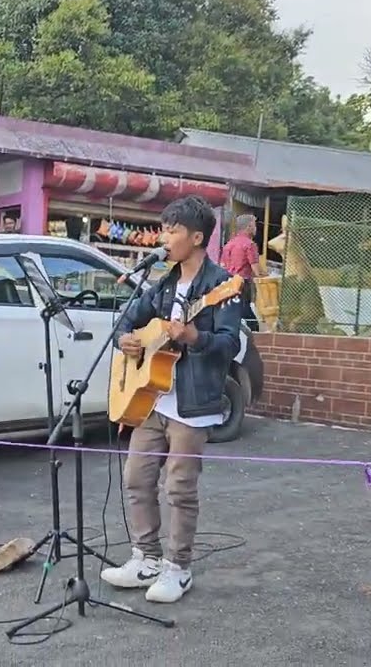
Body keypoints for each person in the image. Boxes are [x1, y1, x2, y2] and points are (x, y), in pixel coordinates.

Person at [101, 195, 243, 604]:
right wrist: (125, 339)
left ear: (197, 237)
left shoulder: (223, 287)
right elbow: (128, 321)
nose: (164, 237)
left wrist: (193, 336)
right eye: (163, 229)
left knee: (180, 488)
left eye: (172, 230)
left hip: (192, 405)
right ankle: (145, 558)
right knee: (136, 480)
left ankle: (178, 568)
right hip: (151, 401)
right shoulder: (163, 283)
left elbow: (229, 344)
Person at [220, 213, 261, 330]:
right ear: (248, 227)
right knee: (246, 310)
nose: (255, 228)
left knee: (232, 308)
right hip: (243, 282)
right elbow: (256, 269)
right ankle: (255, 331)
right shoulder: (250, 245)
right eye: (254, 225)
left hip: (228, 281)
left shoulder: (229, 244)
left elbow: (222, 265)